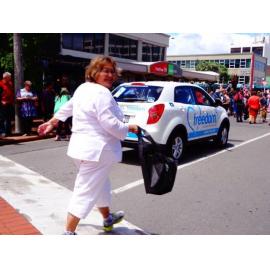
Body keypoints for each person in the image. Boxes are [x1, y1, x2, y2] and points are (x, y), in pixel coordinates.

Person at [37, 56, 138, 234]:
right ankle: (68, 232)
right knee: (85, 190)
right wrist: (129, 127)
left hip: (80, 149)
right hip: (98, 151)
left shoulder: (83, 88)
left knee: (100, 184)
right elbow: (110, 123)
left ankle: (107, 218)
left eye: (111, 71)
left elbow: (68, 107)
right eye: (104, 70)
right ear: (94, 72)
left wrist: (52, 122)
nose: (109, 74)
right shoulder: (102, 93)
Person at [0, 72, 14, 137]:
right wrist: (1, 101)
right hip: (3, 103)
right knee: (2, 118)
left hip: (9, 103)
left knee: (9, 118)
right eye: (9, 77)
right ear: (5, 77)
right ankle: (2, 132)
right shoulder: (0, 84)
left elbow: (11, 92)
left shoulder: (10, 83)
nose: (10, 78)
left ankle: (8, 132)